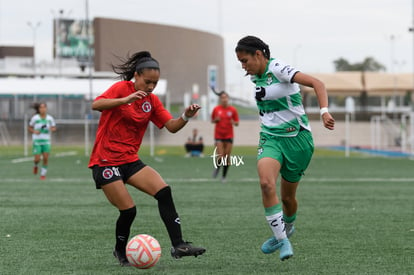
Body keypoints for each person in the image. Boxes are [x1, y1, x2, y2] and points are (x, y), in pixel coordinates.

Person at [88, 51, 206, 266]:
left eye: (155, 83)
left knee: (164, 192)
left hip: (130, 161)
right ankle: (120, 251)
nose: (151, 87)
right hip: (105, 161)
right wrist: (126, 99)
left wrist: (186, 116)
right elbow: (96, 105)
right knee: (129, 210)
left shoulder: (151, 101)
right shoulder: (121, 89)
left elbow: (171, 127)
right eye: (147, 81)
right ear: (136, 76)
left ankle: (179, 245)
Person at [235, 36, 335, 261]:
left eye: (244, 60)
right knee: (266, 183)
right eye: (240, 62)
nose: (243, 66)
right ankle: (282, 239)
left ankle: (288, 227)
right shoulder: (256, 77)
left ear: (258, 55)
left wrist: (324, 112)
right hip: (270, 139)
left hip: (298, 140)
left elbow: (318, 83)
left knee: (288, 199)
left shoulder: (278, 68)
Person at [211, 91, 239, 182]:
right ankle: (217, 168)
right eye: (222, 98)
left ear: (228, 99)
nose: (224, 99)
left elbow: (237, 123)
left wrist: (233, 122)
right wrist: (216, 119)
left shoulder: (233, 110)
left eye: (225, 97)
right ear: (220, 99)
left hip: (229, 135)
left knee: (227, 157)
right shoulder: (216, 109)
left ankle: (223, 177)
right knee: (220, 156)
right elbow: (212, 120)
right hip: (218, 135)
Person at [28, 102, 57, 180]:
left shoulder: (50, 118)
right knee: (37, 159)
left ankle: (43, 174)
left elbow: (54, 128)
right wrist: (34, 131)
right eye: (41, 108)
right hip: (37, 141)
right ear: (39, 109)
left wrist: (50, 128)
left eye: (44, 107)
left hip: (46, 141)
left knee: (45, 158)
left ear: (46, 109)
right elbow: (30, 128)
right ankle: (35, 165)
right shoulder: (35, 118)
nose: (42, 109)